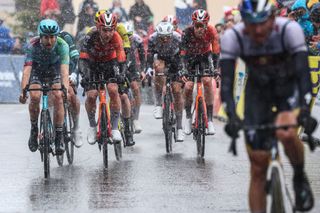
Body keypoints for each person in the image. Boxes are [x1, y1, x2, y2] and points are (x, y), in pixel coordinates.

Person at [220, 0, 317, 212]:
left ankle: (299, 176)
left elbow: (303, 74)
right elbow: (226, 83)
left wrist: (305, 110)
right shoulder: (233, 37)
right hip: (258, 93)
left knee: (287, 133)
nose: (257, 29)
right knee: (258, 166)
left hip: (287, 87)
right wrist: (232, 115)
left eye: (262, 22)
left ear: (272, 18)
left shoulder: (289, 30)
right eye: (250, 24)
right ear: (243, 21)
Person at [19, 19, 69, 155]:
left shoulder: (62, 45)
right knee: (34, 96)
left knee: (58, 96)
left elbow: (64, 71)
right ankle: (34, 129)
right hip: (37, 69)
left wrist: (64, 88)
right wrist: (23, 92)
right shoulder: (32, 46)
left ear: (56, 36)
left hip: (54, 69)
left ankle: (59, 136)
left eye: (52, 37)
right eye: (46, 37)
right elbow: (27, 71)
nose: (49, 41)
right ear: (40, 36)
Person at [79, 11, 127, 145]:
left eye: (111, 30)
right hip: (92, 64)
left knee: (113, 89)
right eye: (105, 30)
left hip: (110, 63)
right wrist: (85, 76)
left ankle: (115, 126)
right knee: (91, 95)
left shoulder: (116, 37)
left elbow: (122, 59)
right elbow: (82, 59)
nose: (108, 34)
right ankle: (92, 126)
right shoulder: (90, 36)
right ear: (99, 28)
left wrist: (121, 75)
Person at [181, 9, 220, 135]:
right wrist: (184, 70)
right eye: (196, 26)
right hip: (190, 57)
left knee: (207, 81)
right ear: (193, 24)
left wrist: (216, 70)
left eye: (201, 26)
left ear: (206, 25)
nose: (199, 29)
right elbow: (182, 53)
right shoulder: (187, 32)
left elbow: (215, 52)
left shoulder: (212, 31)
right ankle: (187, 118)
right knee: (188, 87)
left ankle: (210, 120)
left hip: (204, 56)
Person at [146, 21, 185, 142]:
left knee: (177, 92)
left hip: (175, 61)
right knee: (158, 68)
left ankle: (179, 127)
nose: (164, 40)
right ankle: (158, 104)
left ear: (171, 34)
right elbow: (150, 55)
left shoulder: (178, 38)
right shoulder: (152, 39)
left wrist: (182, 70)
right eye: (161, 38)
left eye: (167, 37)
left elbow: (184, 56)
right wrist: (148, 68)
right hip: (161, 59)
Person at [58, 30, 82, 147]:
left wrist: (72, 74)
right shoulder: (40, 41)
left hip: (68, 69)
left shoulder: (65, 37)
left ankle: (76, 128)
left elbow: (76, 59)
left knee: (71, 94)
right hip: (52, 71)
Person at [124, 22, 145, 134]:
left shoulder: (138, 40)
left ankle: (136, 119)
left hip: (132, 66)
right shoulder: (117, 39)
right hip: (120, 66)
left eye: (130, 35)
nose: (128, 38)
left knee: (136, 89)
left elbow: (142, 56)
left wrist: (142, 70)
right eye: (125, 36)